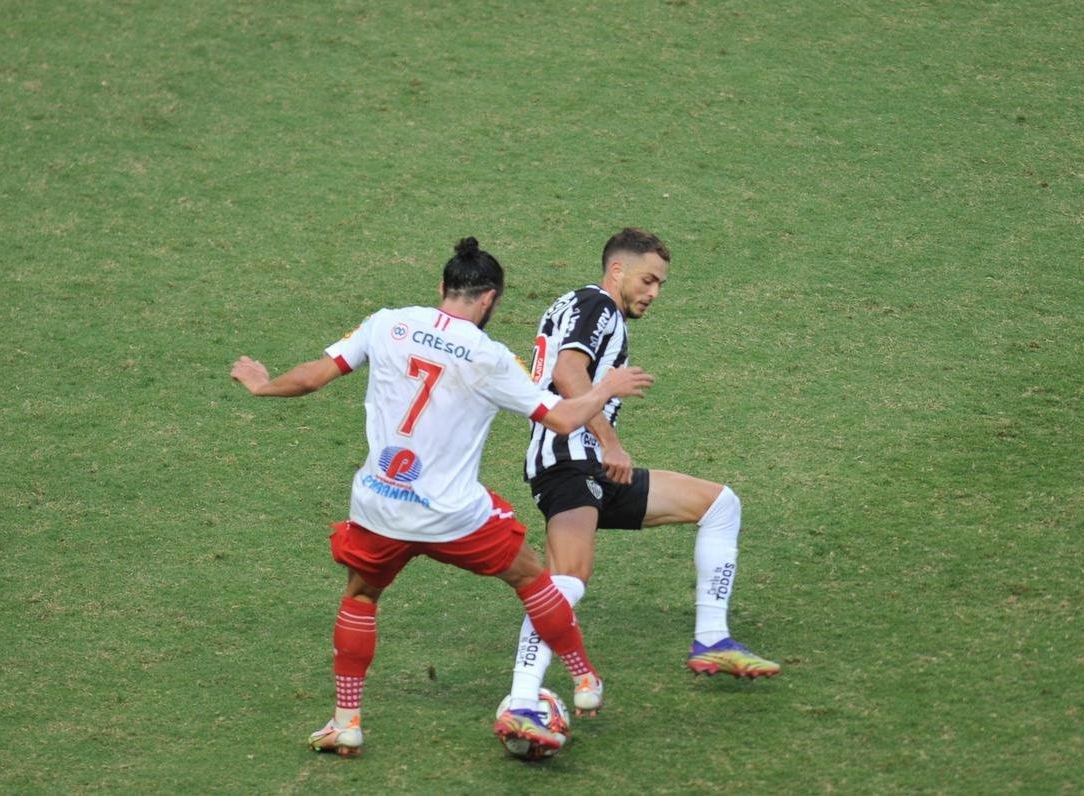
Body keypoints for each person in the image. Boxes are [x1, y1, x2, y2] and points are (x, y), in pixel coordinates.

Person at [230, 237, 654, 757]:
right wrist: (605, 387)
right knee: (532, 578)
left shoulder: (387, 322)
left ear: (442, 288)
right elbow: (565, 419)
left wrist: (263, 384)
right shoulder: (491, 358)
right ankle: (585, 679)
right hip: (454, 516)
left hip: (380, 505)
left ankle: (346, 721)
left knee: (361, 597)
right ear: (491, 299)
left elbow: (314, 376)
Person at [506, 228, 780, 719]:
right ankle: (522, 700)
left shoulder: (572, 304)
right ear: (618, 270)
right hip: (570, 462)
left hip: (587, 465)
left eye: (660, 285)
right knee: (566, 580)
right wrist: (611, 443)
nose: (653, 293)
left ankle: (711, 638)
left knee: (720, 504)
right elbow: (569, 374)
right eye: (649, 280)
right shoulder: (599, 307)